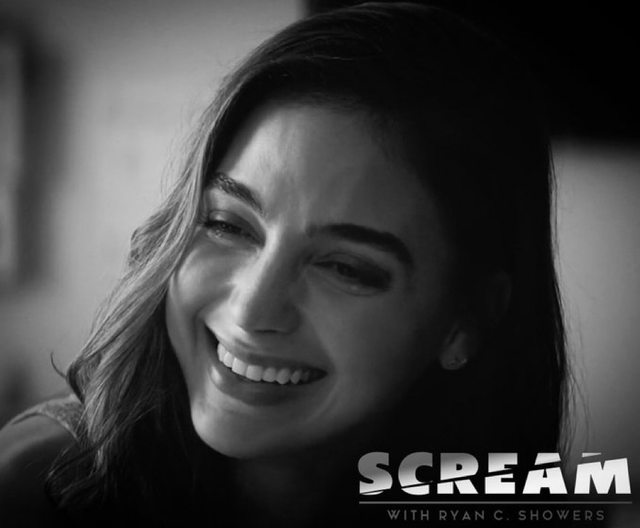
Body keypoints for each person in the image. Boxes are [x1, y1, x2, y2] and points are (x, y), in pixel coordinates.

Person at [0, 2, 570, 526]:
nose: (252, 310)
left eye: (345, 268)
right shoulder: (35, 489)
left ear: (465, 320)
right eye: (228, 225)